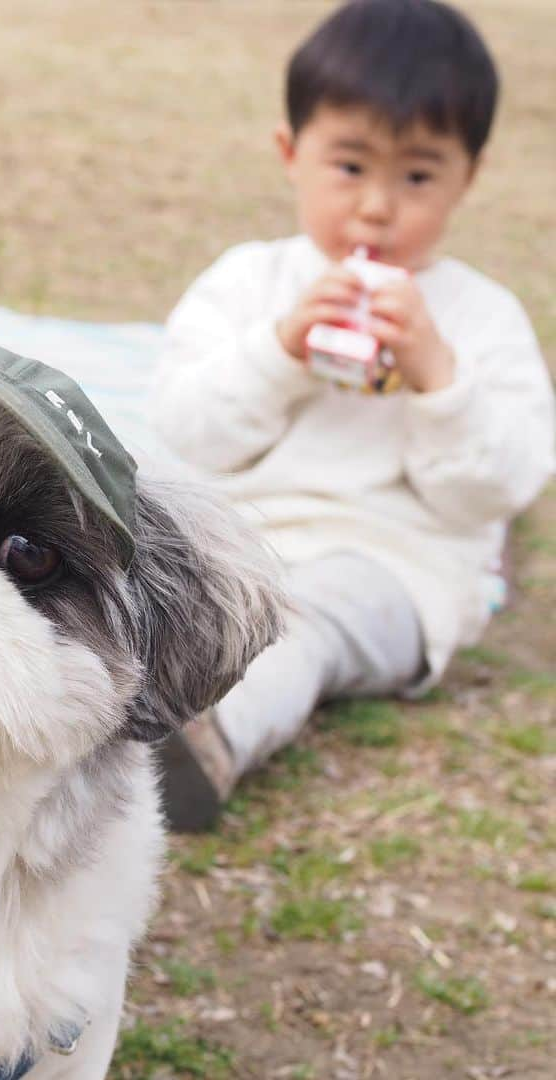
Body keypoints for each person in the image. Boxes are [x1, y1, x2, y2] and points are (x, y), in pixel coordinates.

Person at [152, 0, 555, 831]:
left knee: (306, 624)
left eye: (416, 177)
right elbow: (188, 430)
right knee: (147, 589)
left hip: (391, 566)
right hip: (243, 535)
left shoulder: (478, 319)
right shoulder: (250, 285)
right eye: (349, 168)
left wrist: (439, 380)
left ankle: (209, 738)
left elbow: (502, 487)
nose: (376, 208)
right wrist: (280, 351)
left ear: (467, 177)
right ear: (291, 155)